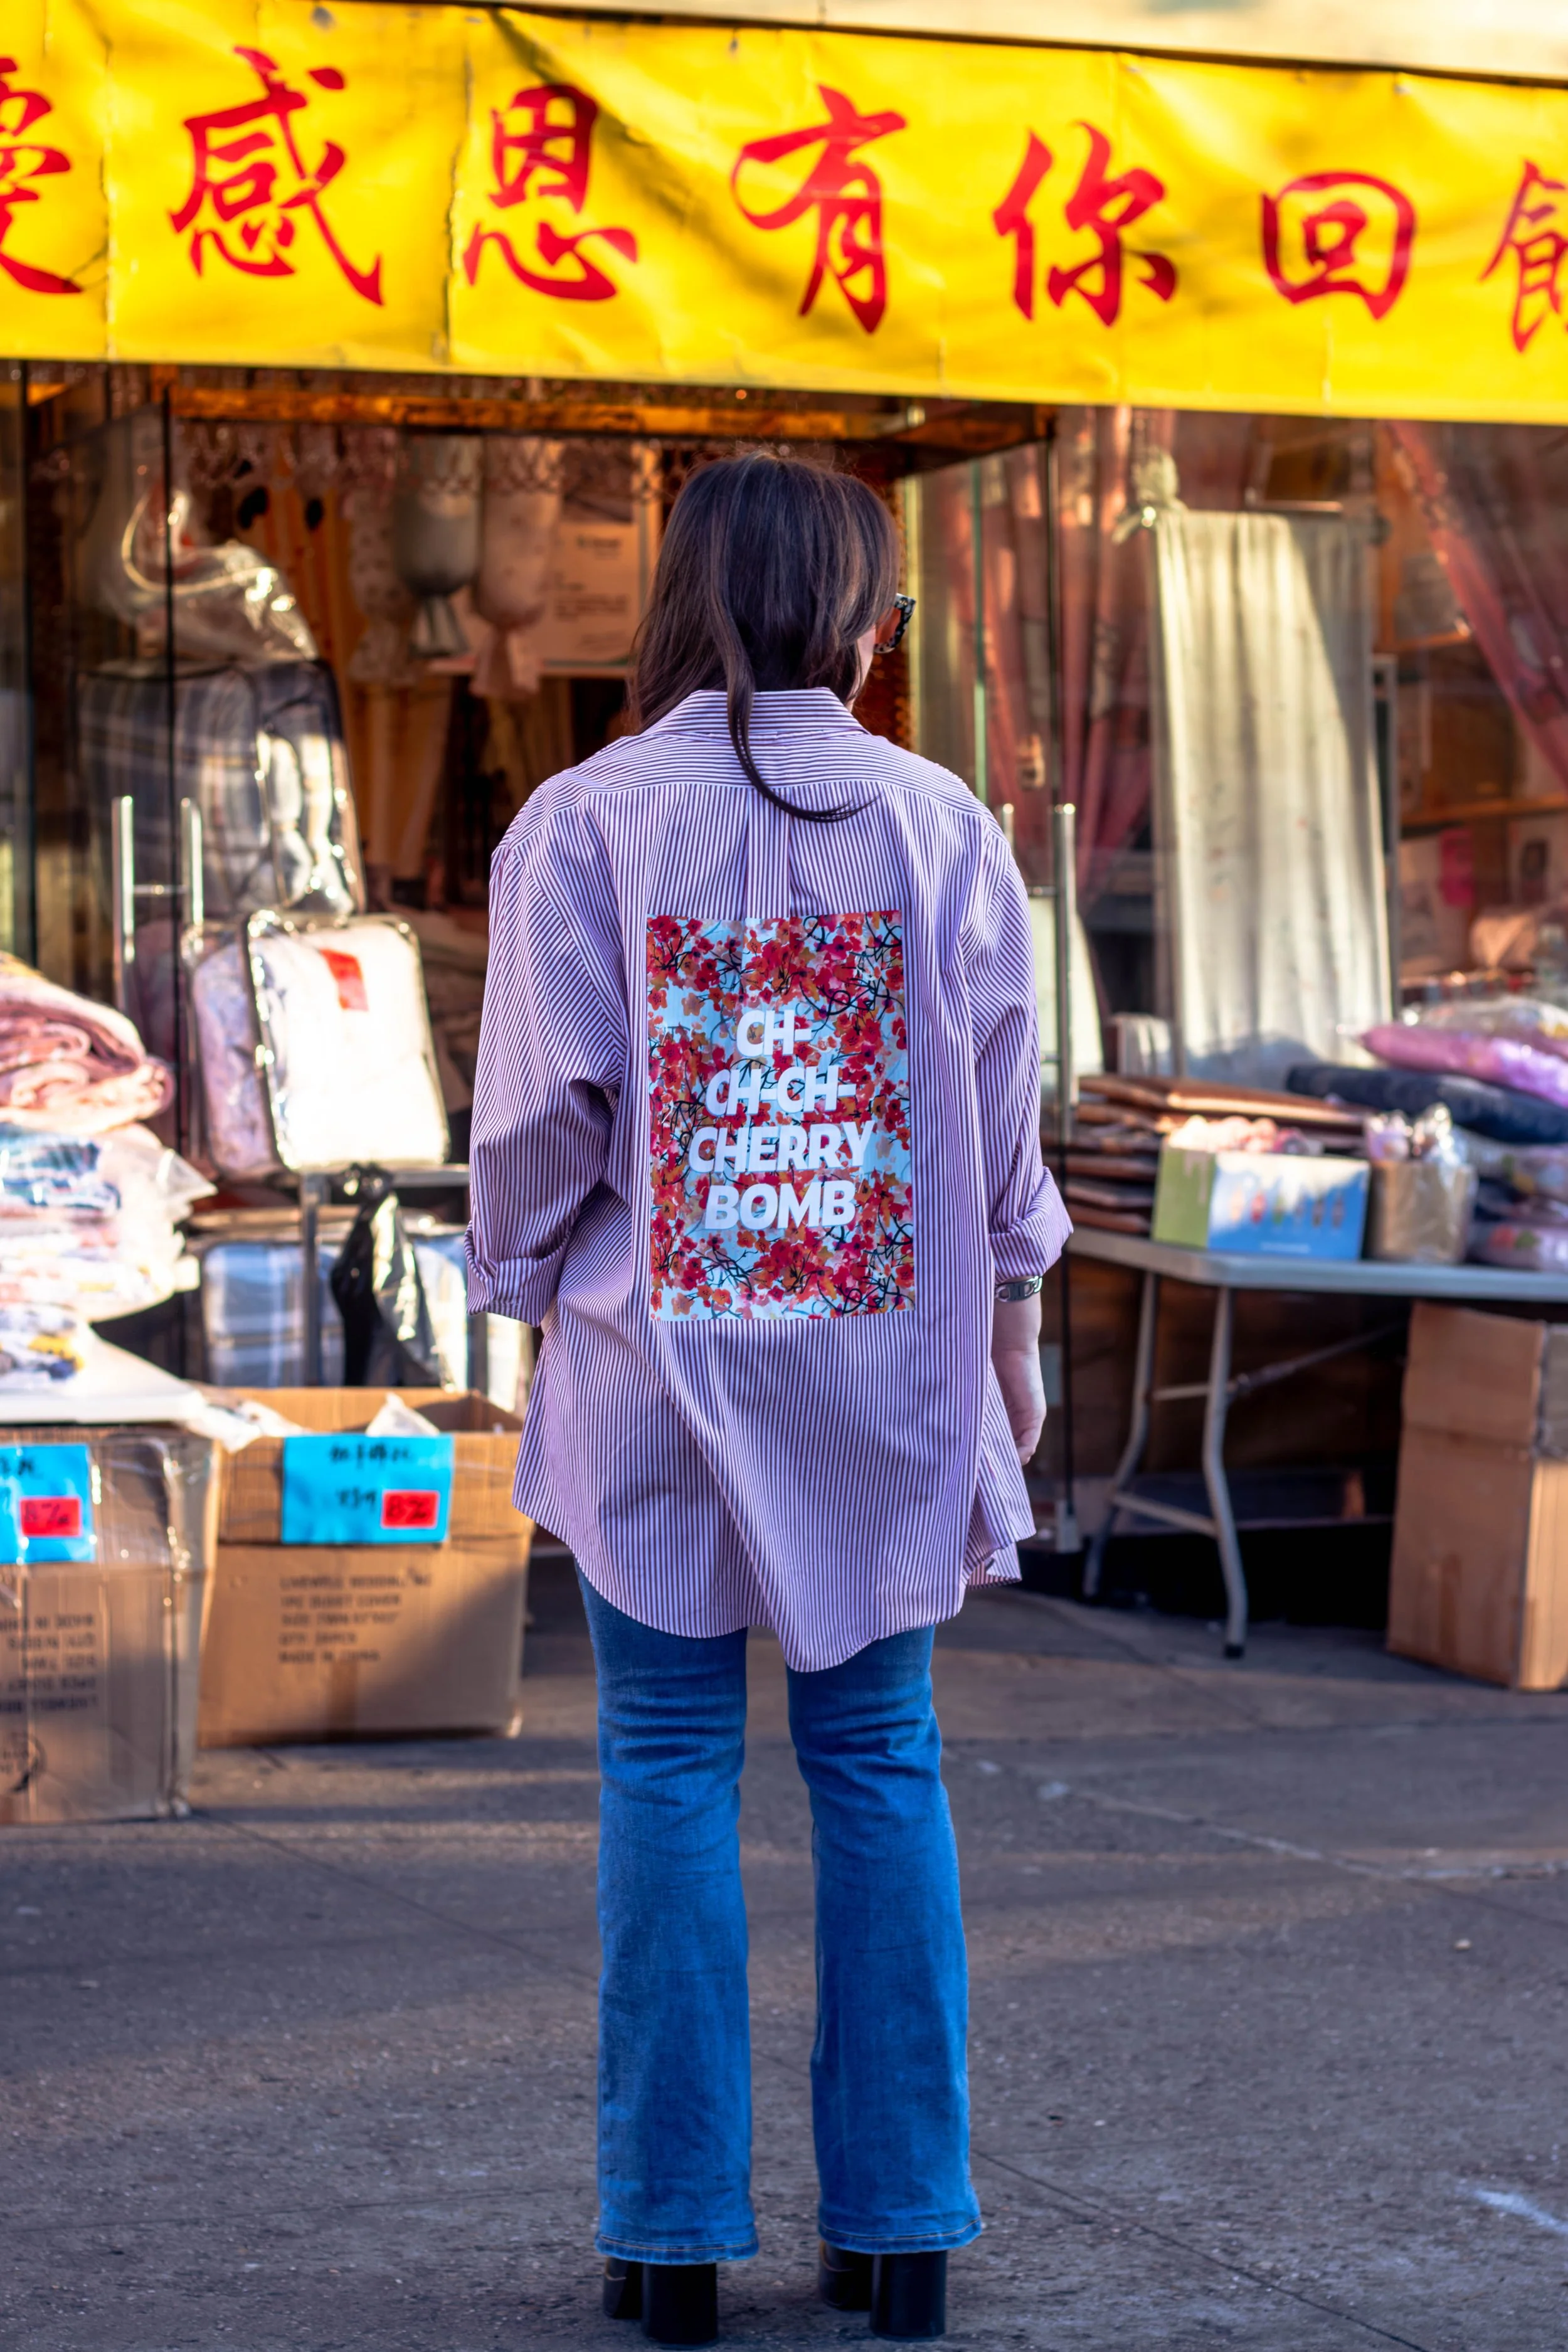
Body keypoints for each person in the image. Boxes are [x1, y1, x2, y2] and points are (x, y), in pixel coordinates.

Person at [467, 452, 1069, 2346]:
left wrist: (520, 1292)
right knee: (877, 1758)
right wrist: (1016, 1329)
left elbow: (533, 1134)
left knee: (663, 1758)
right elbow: (992, 1127)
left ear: (675, 608)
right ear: (868, 623)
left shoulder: (585, 823)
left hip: (657, 1364)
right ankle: (901, 2238)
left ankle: (665, 2244)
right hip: (884, 1367)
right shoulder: (942, 821)